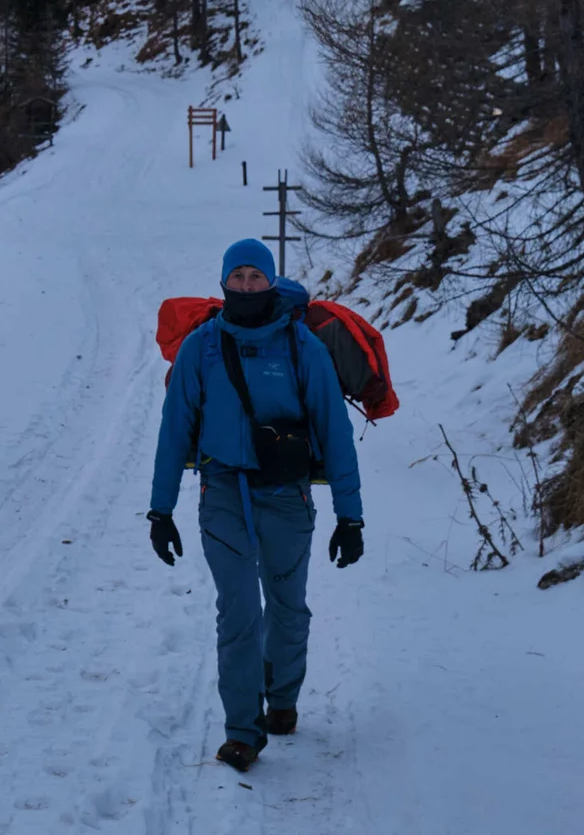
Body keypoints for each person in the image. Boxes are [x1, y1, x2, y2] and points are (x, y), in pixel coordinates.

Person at [146, 238, 364, 773]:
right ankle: (243, 730)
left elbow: (336, 433)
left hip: (287, 497)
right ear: (224, 282)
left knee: (288, 608)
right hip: (222, 492)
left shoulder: (301, 347)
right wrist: (160, 509)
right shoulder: (202, 346)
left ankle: (282, 699)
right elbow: (175, 432)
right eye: (237, 275)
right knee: (239, 612)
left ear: (270, 282)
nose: (246, 284)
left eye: (255, 276)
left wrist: (350, 515)